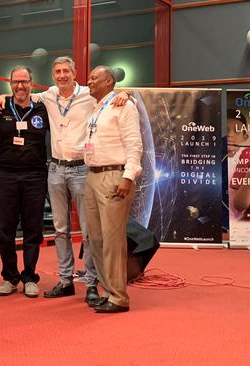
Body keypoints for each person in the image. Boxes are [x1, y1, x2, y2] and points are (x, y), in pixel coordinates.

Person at [0, 56, 129, 303]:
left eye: (66, 71)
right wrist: (1, 97)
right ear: (53, 75)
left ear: (74, 73)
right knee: (60, 230)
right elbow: (21, 96)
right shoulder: (47, 96)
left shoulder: (90, 94)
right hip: (55, 170)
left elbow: (111, 94)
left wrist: (126, 93)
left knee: (88, 231)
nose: (62, 75)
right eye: (57, 71)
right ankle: (66, 280)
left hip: (81, 170)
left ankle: (90, 282)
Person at [0, 66, 49, 298]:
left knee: (33, 230)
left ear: (32, 82)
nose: (20, 86)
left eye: (24, 81)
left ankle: (30, 277)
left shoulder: (44, 108)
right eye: (15, 82)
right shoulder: (0, 107)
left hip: (35, 176)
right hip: (4, 176)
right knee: (5, 230)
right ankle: (10, 277)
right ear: (9, 83)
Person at [83, 66, 142, 313]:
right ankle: (108, 291)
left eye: (94, 78)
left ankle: (119, 297)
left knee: (113, 240)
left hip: (114, 176)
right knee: (94, 239)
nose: (89, 81)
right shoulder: (96, 108)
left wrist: (128, 177)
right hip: (92, 176)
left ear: (109, 81)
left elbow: (134, 144)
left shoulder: (124, 106)